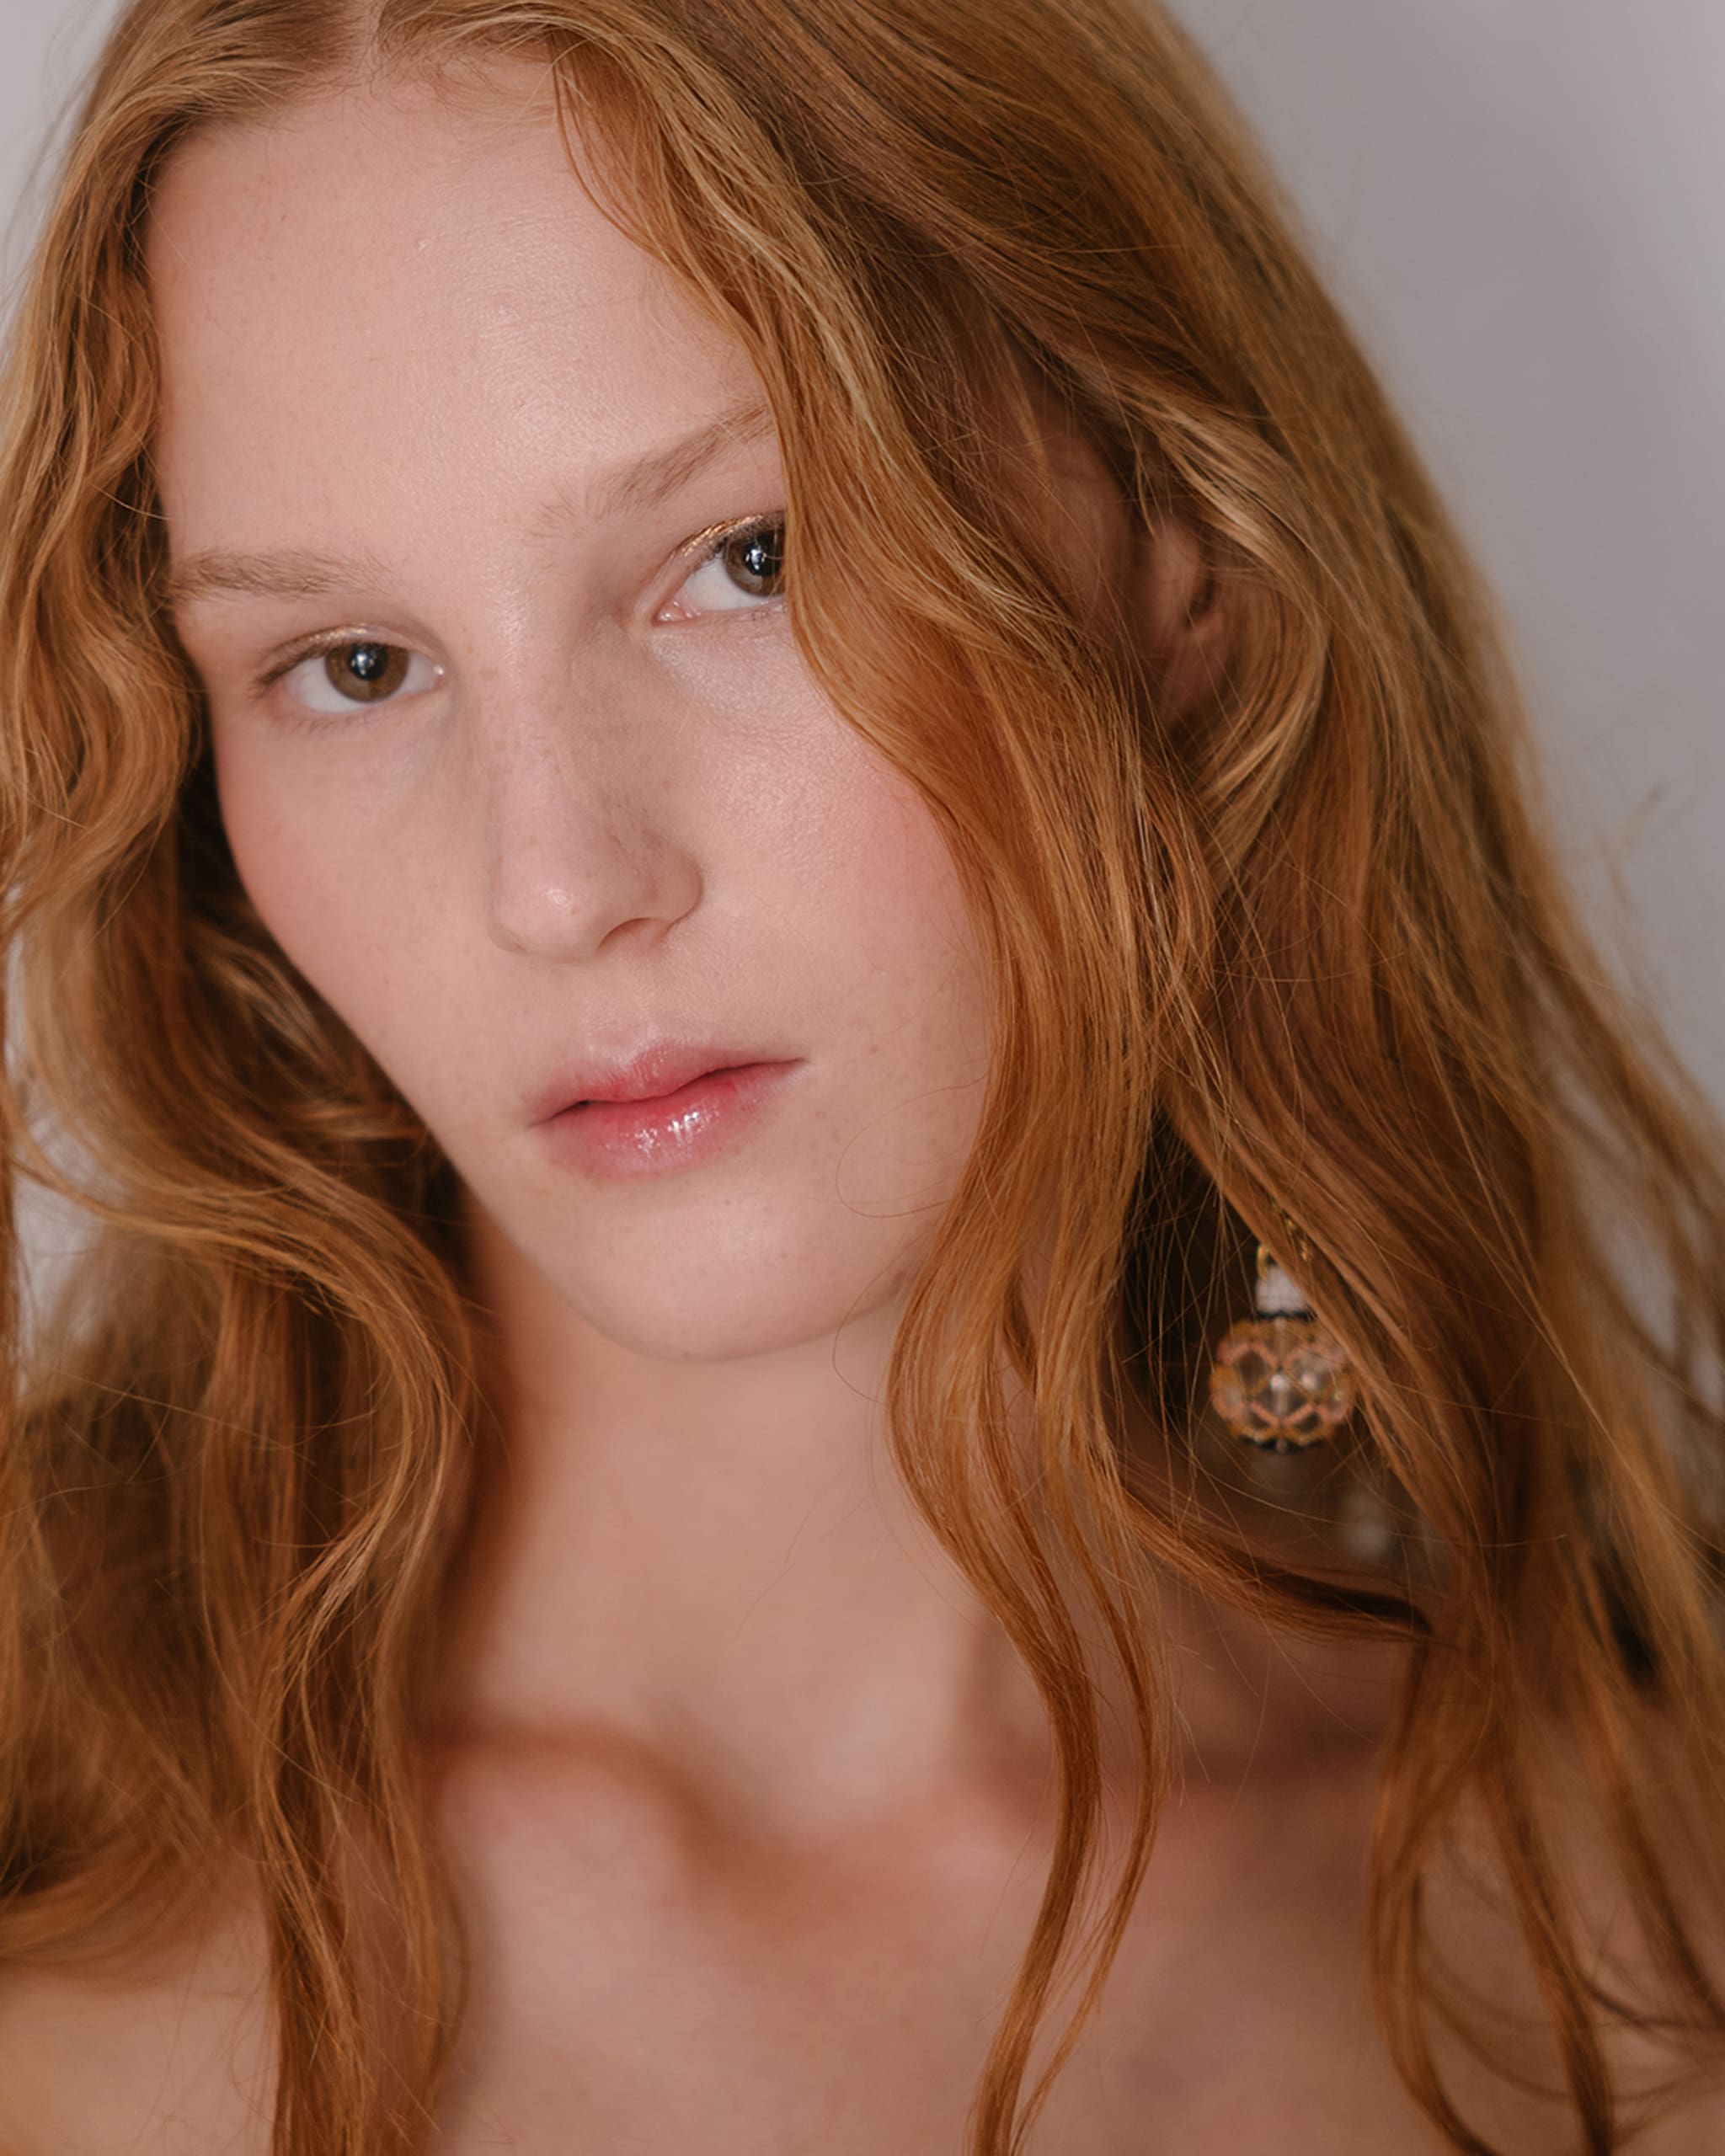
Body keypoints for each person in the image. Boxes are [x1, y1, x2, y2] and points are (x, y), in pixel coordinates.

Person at [0, 0, 1721, 2149]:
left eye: (750, 559)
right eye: (353, 666)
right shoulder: (58, 1938)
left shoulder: (1647, 1942)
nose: (558, 881)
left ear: (1180, 552)